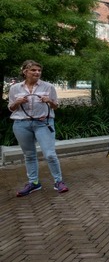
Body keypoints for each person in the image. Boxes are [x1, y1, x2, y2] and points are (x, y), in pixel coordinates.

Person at [8, 60, 68, 197]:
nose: (37, 73)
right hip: (21, 124)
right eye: (33, 70)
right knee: (29, 155)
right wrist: (17, 102)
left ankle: (58, 181)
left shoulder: (48, 87)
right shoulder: (15, 88)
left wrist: (49, 101)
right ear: (25, 72)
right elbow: (11, 108)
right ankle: (34, 182)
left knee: (50, 154)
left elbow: (55, 106)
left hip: (43, 123)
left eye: (39, 71)